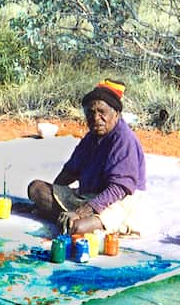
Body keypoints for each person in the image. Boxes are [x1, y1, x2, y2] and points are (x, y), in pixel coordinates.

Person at [27, 79, 149, 237]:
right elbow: (70, 171)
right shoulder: (91, 138)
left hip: (119, 200)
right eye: (91, 113)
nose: (96, 118)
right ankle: (67, 218)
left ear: (116, 114)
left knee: (78, 228)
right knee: (36, 189)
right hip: (89, 195)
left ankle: (73, 220)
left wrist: (82, 212)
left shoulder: (124, 140)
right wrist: (54, 195)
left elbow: (119, 188)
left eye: (102, 112)